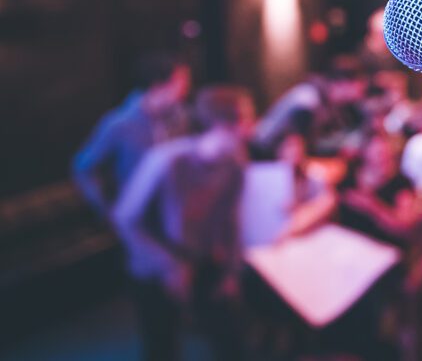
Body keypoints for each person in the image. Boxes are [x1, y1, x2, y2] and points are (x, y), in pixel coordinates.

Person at [113, 85, 254, 361]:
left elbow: (231, 222)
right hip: (154, 266)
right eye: (247, 118)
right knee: (162, 348)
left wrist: (232, 271)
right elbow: (125, 218)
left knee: (231, 342)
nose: (251, 126)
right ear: (229, 122)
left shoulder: (234, 166)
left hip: (201, 260)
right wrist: (168, 265)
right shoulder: (168, 159)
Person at [73, 53, 191, 217]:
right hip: (139, 214)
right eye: (180, 83)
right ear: (157, 86)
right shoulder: (118, 123)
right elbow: (84, 168)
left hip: (173, 210)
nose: (186, 89)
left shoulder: (179, 116)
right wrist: (108, 209)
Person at [252, 55, 369, 157]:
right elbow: (295, 143)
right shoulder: (308, 99)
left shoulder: (325, 100)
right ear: (344, 83)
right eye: (359, 85)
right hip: (265, 157)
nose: (361, 92)